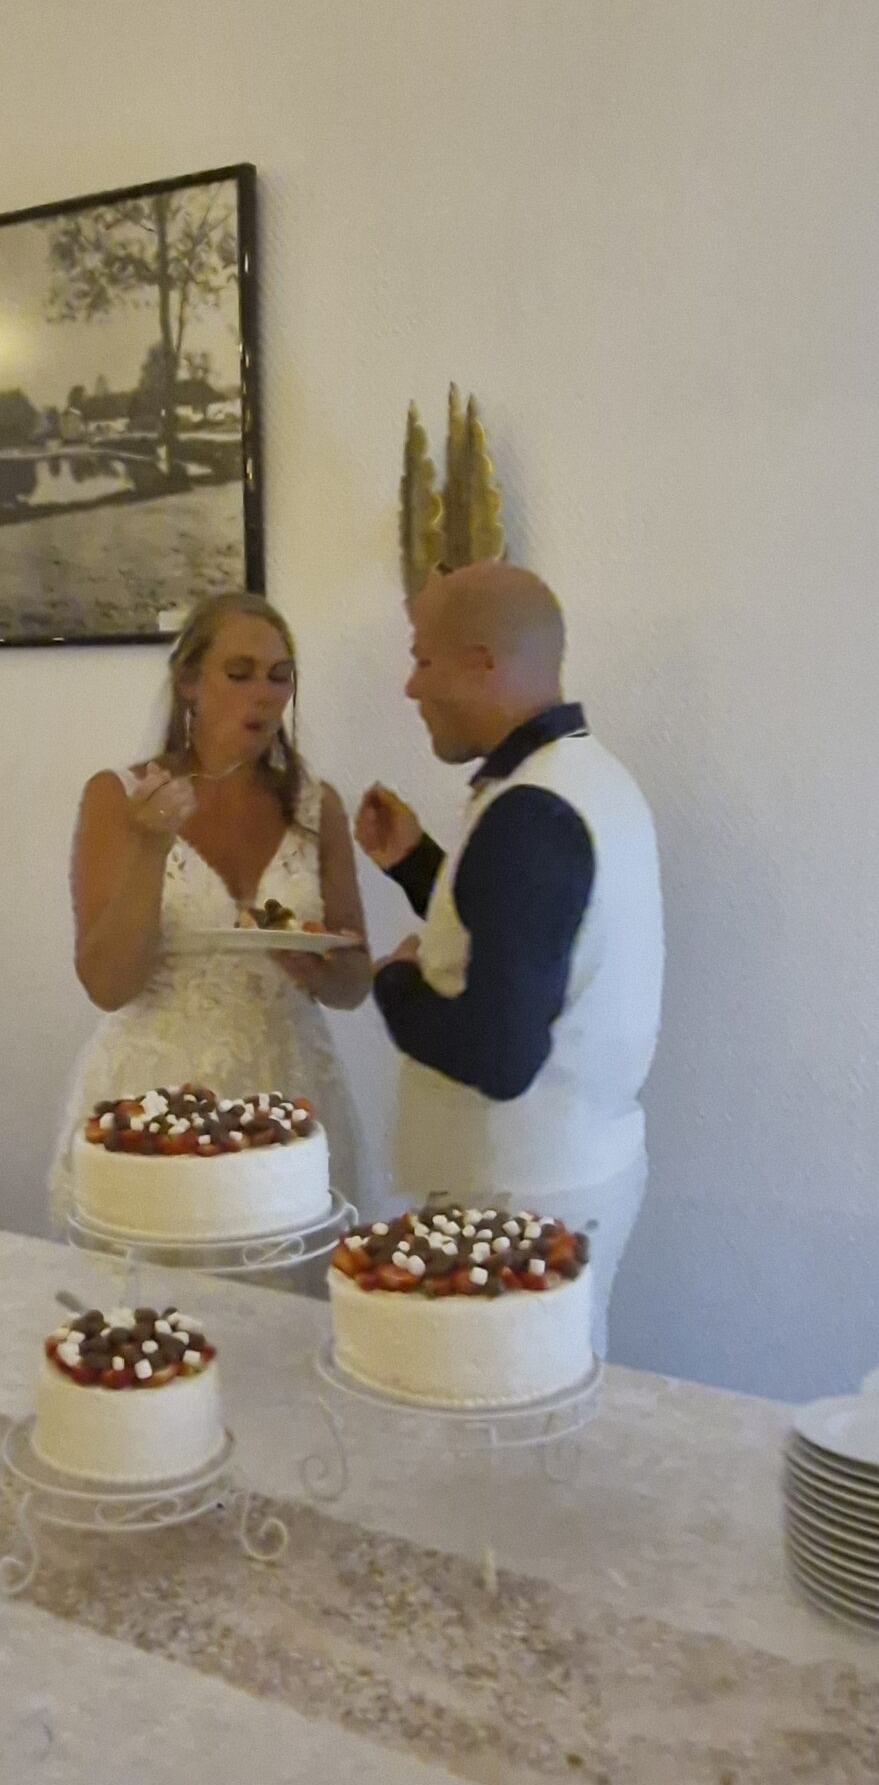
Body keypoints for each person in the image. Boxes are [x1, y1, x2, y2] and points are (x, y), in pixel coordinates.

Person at [356, 563, 663, 1354]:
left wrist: (390, 983)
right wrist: (415, 865)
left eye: (422, 658)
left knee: (502, 1406)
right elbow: (523, 943)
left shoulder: (530, 811)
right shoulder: (583, 778)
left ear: (481, 662)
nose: (410, 686)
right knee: (550, 1388)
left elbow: (498, 1055)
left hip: (516, 1193)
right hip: (565, 1169)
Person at [51, 591, 371, 1225]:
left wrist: (320, 968)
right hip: (156, 1098)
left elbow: (355, 982)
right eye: (240, 673)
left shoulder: (317, 807)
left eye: (280, 677)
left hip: (291, 1093)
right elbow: (107, 984)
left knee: (291, 1273)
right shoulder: (122, 797)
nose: (264, 695)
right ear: (189, 682)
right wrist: (151, 847)